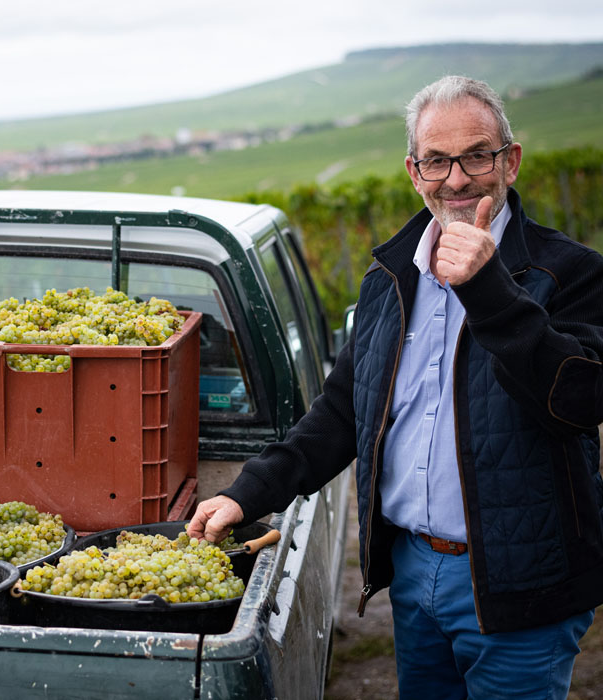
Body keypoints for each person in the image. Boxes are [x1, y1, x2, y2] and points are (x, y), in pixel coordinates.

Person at [188, 75, 603, 700]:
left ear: (509, 162)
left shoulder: (569, 272)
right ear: (415, 172)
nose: (457, 178)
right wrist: (248, 493)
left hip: (522, 583)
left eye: (477, 155)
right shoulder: (389, 278)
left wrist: (488, 288)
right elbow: (339, 412)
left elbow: (579, 402)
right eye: (437, 160)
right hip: (414, 576)